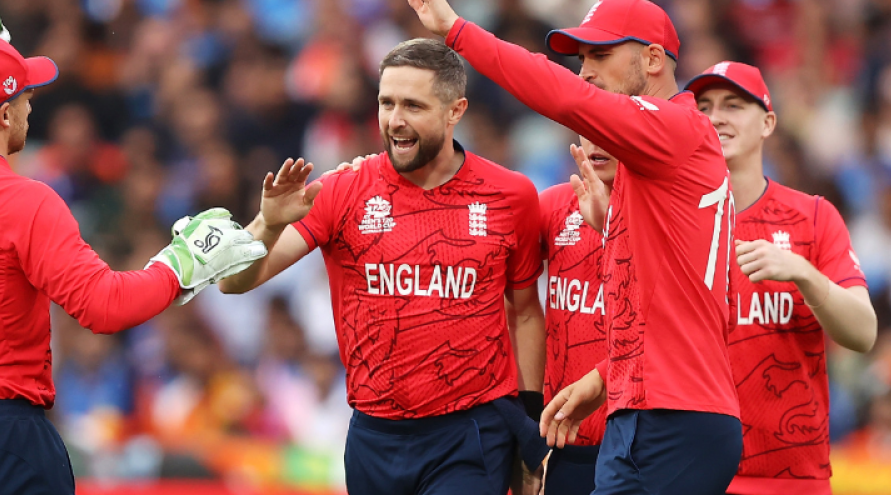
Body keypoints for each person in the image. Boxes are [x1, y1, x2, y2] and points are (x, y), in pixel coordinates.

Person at [0, 36, 266, 494]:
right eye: (25, 97)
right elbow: (103, 306)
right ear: (4, 114)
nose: (30, 107)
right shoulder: (24, 200)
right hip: (4, 436)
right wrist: (183, 264)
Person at [406, 0, 744, 493]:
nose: (584, 71)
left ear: (652, 59)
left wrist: (457, 31)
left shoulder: (676, 127)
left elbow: (562, 96)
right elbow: (673, 306)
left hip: (674, 417)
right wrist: (605, 378)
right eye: (580, 58)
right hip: (643, 412)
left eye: (600, 53)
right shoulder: (650, 164)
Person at [217, 38, 548, 495]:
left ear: (456, 111)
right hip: (373, 435)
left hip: (469, 434)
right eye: (386, 103)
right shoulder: (340, 191)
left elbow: (526, 311)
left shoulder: (510, 196)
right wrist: (266, 224)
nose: (395, 121)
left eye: (413, 105)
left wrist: (530, 428)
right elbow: (233, 283)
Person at [685, 61, 877, 494]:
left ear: (768, 122)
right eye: (704, 107)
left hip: (792, 476)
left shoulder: (812, 217)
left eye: (733, 105)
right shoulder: (671, 221)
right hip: (693, 471)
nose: (715, 117)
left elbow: (864, 333)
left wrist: (805, 274)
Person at [538, 138, 617, 494]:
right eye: (589, 126)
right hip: (561, 447)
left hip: (638, 446)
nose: (597, 139)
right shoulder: (554, 205)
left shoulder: (667, 215)